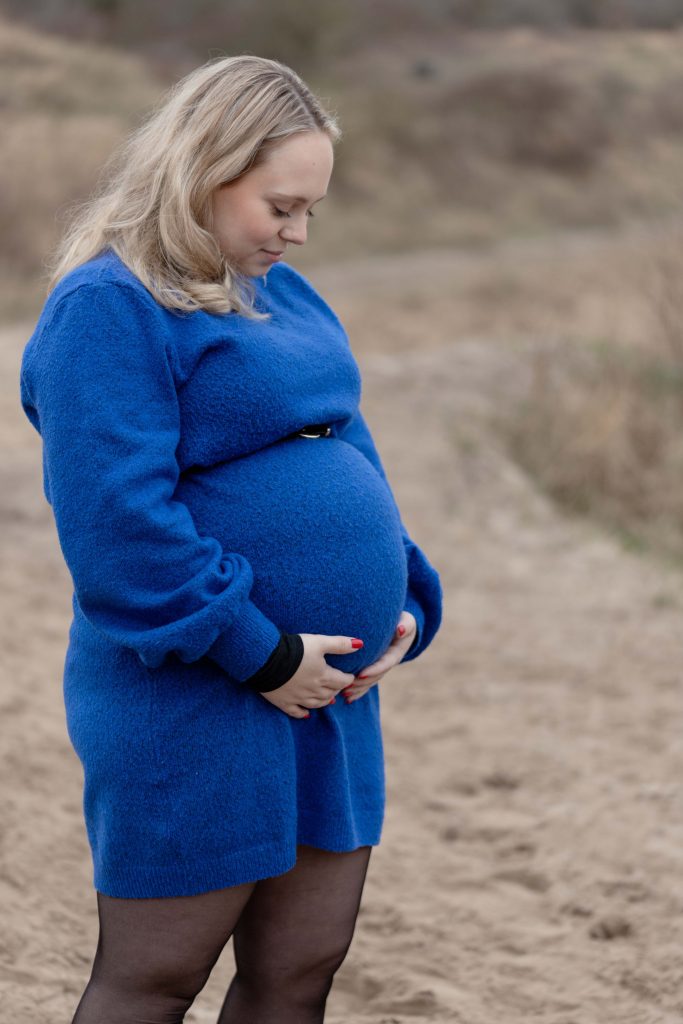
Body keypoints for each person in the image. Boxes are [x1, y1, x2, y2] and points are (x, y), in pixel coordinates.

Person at [19, 54, 443, 1024]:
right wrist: (262, 654)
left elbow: (347, 443)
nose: (296, 234)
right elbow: (119, 531)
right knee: (154, 977)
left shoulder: (284, 293)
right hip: (196, 695)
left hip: (326, 691)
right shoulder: (108, 306)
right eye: (279, 206)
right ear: (203, 170)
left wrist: (404, 599)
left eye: (310, 212)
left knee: (302, 965)